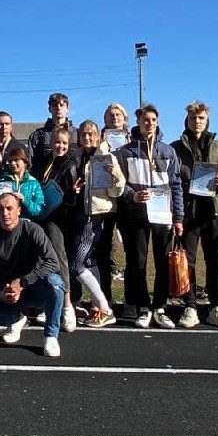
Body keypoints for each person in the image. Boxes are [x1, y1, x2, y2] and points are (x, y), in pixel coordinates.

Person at [116, 105, 184, 328]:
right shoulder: (126, 152)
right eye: (146, 120)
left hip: (162, 215)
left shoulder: (168, 151)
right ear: (138, 122)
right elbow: (118, 183)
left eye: (154, 120)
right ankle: (143, 307)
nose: (150, 123)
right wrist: (132, 195)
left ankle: (160, 307)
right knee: (138, 262)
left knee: (163, 262)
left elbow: (176, 185)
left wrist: (178, 218)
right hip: (136, 215)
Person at [0, 190, 67, 357]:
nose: (5, 213)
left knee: (55, 283)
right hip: (8, 293)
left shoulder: (33, 230)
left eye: (9, 208)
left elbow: (53, 262)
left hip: (35, 289)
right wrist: (0, 294)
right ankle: (16, 318)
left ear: (19, 210)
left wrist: (23, 282)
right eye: (1, 209)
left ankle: (51, 336)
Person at [170, 101, 218, 326]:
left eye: (201, 118)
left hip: (213, 212)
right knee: (188, 262)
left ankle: (215, 307)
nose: (197, 121)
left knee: (214, 262)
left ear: (207, 121)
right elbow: (171, 178)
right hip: (189, 212)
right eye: (193, 118)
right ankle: (190, 306)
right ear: (187, 120)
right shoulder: (176, 147)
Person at [69, 121, 125, 327]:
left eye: (91, 134)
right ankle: (96, 307)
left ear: (98, 136)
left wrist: (117, 177)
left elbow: (116, 192)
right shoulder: (76, 157)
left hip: (95, 216)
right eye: (84, 134)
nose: (87, 138)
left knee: (76, 264)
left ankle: (105, 307)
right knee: (90, 262)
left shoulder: (106, 157)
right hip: (78, 215)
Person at [31, 125, 81, 331]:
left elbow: (71, 199)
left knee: (59, 260)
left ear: (69, 145)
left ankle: (67, 306)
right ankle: (47, 302)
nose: (60, 146)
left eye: (64, 143)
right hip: (41, 216)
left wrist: (71, 194)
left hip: (58, 220)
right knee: (40, 259)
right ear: (51, 143)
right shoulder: (43, 162)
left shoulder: (70, 165)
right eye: (57, 142)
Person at [94, 102, 132, 302]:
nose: (114, 118)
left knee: (132, 251)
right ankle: (105, 299)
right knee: (104, 251)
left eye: (118, 115)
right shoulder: (98, 141)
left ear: (125, 119)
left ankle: (131, 300)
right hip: (106, 202)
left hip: (128, 201)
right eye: (110, 115)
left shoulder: (133, 141)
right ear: (105, 119)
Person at [0, 143, 45, 217]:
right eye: (10, 161)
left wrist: (24, 200)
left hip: (27, 221)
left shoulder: (34, 183)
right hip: (6, 221)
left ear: (25, 161)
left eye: (16, 160)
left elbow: (39, 210)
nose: (12, 163)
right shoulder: (2, 181)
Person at [29, 92, 73, 159]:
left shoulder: (77, 134)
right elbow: (30, 161)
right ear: (49, 109)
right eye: (55, 105)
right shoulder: (37, 136)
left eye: (61, 105)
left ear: (67, 108)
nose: (58, 108)